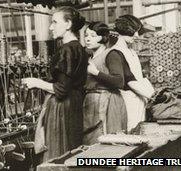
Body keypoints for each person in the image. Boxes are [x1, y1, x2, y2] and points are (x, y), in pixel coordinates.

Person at [22, 6, 88, 162]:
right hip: (74, 104)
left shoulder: (67, 50)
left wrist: (36, 82)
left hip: (61, 107)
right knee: (71, 150)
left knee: (57, 151)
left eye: (54, 22)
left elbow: (61, 89)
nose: (51, 27)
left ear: (68, 24)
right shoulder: (79, 48)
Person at [83, 21, 129, 145]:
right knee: (92, 141)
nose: (88, 39)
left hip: (109, 102)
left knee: (108, 141)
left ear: (103, 37)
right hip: (93, 103)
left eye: (93, 36)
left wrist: (95, 72)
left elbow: (119, 81)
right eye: (86, 35)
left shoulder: (111, 54)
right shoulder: (90, 58)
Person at [110, 14, 154, 132]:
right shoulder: (116, 53)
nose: (136, 35)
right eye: (133, 32)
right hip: (128, 101)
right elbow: (130, 80)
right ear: (123, 30)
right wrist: (152, 96)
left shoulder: (131, 52)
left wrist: (153, 94)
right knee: (131, 131)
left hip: (140, 98)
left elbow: (141, 76)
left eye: (137, 32)